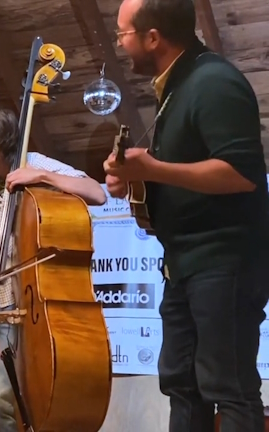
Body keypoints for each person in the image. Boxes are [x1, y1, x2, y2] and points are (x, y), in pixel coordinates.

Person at [103, 0, 269, 430]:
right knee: (182, 383)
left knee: (228, 388)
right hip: (184, 267)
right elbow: (181, 175)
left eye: (123, 34)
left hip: (225, 264)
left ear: (152, 37)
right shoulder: (176, 86)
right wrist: (135, 182)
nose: (121, 45)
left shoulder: (213, 82)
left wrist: (152, 168)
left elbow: (242, 174)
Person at [0, 105, 106, 431]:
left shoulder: (37, 164)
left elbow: (96, 193)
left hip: (20, 304)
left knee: (5, 399)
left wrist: (41, 177)